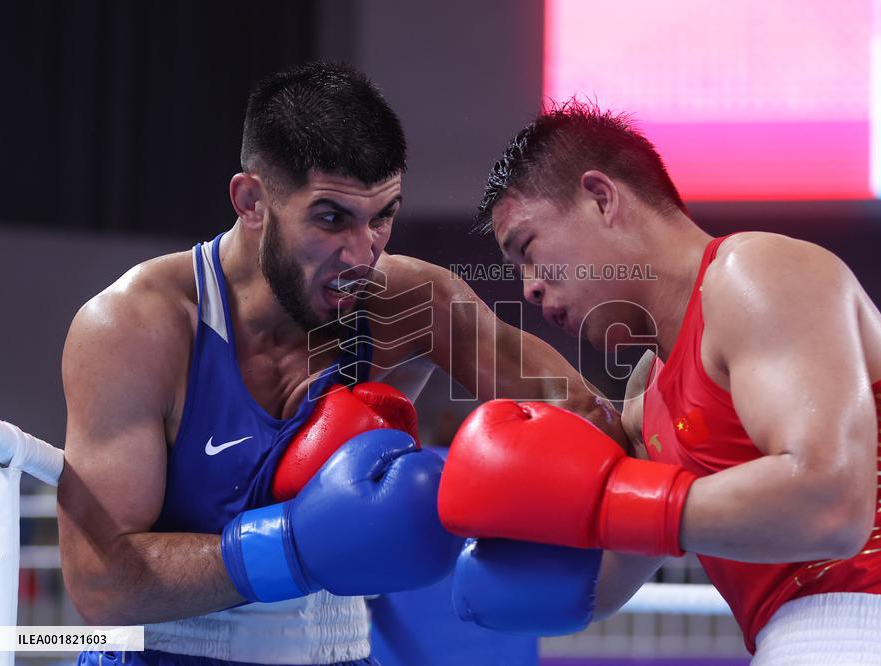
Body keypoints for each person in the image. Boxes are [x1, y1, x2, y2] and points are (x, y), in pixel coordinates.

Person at [57, 65, 635, 666]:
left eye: (382, 216)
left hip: (338, 652)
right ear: (252, 202)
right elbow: (100, 582)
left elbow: (586, 417)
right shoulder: (137, 327)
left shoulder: (409, 304)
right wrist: (293, 547)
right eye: (331, 218)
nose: (362, 253)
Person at [438, 102, 881, 664]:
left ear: (601, 198)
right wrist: (515, 563)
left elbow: (830, 502)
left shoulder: (757, 272)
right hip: (784, 647)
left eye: (528, 249)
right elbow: (612, 571)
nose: (529, 288)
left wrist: (606, 501)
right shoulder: (646, 395)